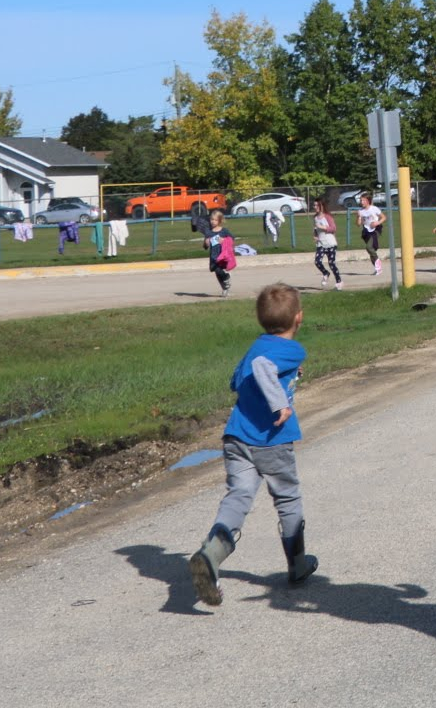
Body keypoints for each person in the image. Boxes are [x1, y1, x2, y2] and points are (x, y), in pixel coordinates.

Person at [188, 283, 317, 606]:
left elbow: (238, 379)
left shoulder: (256, 347)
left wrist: (286, 376)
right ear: (298, 318)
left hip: (237, 437)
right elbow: (263, 369)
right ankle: (298, 564)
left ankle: (211, 554)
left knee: (239, 496)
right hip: (271, 440)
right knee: (287, 498)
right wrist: (279, 403)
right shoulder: (292, 349)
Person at [311, 198, 343, 291]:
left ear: (322, 206)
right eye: (314, 205)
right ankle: (325, 273)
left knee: (331, 263)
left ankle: (339, 282)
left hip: (330, 243)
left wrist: (322, 227)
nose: (315, 207)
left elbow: (333, 228)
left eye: (317, 205)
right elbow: (315, 229)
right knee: (317, 261)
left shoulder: (328, 216)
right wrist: (315, 236)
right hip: (321, 244)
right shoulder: (315, 218)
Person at [206, 208, 237, 296]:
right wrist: (206, 242)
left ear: (219, 221)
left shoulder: (224, 231)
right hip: (213, 256)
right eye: (211, 219)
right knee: (217, 273)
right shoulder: (209, 232)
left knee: (219, 270)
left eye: (215, 220)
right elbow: (206, 245)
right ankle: (225, 288)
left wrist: (224, 240)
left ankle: (226, 277)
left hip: (222, 255)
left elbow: (232, 239)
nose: (213, 221)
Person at [356, 192, 386, 277]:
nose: (362, 202)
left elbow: (384, 217)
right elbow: (358, 224)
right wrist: (359, 217)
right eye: (361, 200)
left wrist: (377, 223)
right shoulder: (360, 211)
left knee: (369, 247)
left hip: (376, 229)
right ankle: (377, 269)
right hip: (367, 231)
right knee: (371, 251)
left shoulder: (374, 209)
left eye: (363, 200)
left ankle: (377, 261)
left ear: (368, 201)